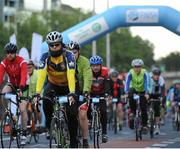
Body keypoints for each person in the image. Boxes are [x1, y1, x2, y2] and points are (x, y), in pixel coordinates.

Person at [36, 31, 78, 148]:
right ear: (48, 46)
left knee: (71, 113)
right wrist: (37, 93)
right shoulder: (45, 56)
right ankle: (50, 126)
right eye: (52, 45)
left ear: (61, 44)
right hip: (53, 84)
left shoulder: (68, 55)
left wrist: (72, 93)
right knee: (46, 101)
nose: (54, 47)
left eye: (57, 45)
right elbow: (41, 76)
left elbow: (70, 74)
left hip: (70, 85)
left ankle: (74, 142)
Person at [0, 42, 28, 145]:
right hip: (12, 84)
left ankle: (24, 132)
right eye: (8, 52)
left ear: (15, 53)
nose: (10, 54)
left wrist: (20, 88)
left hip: (23, 85)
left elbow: (24, 75)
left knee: (22, 109)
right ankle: (8, 112)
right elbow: (0, 76)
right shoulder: (4, 63)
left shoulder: (22, 61)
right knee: (3, 92)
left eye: (12, 52)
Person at [67, 41, 92, 148]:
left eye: (75, 52)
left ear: (79, 52)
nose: (72, 55)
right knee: (67, 113)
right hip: (69, 91)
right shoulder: (64, 61)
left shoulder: (84, 61)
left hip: (82, 91)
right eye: (70, 52)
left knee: (82, 115)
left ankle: (85, 140)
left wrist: (86, 91)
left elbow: (87, 76)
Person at [89, 55, 110, 143]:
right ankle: (90, 120)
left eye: (97, 65)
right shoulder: (88, 72)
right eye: (93, 65)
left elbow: (107, 84)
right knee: (85, 107)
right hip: (91, 93)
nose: (95, 67)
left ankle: (104, 133)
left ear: (100, 65)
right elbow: (86, 82)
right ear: (91, 66)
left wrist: (106, 94)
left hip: (101, 93)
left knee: (103, 111)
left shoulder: (105, 72)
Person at [124, 58, 149, 133]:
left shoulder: (144, 73)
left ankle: (144, 125)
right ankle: (132, 112)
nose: (137, 68)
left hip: (142, 90)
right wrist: (126, 92)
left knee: (143, 108)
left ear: (141, 67)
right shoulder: (130, 73)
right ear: (133, 67)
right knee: (130, 95)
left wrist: (147, 93)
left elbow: (147, 83)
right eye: (135, 67)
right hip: (134, 89)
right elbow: (127, 82)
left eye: (139, 67)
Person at [26, 60, 42, 132]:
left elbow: (41, 86)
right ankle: (28, 122)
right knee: (26, 107)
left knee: (36, 107)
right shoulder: (25, 75)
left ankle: (39, 123)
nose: (28, 69)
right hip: (29, 95)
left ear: (33, 67)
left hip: (38, 93)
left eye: (30, 67)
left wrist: (38, 96)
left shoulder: (37, 74)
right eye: (27, 68)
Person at [149, 67, 165, 135]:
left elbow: (162, 88)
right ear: (152, 74)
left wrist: (161, 97)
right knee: (145, 105)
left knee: (157, 109)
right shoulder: (149, 78)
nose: (157, 76)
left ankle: (157, 127)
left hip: (157, 94)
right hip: (149, 93)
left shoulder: (161, 79)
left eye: (158, 75)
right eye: (155, 75)